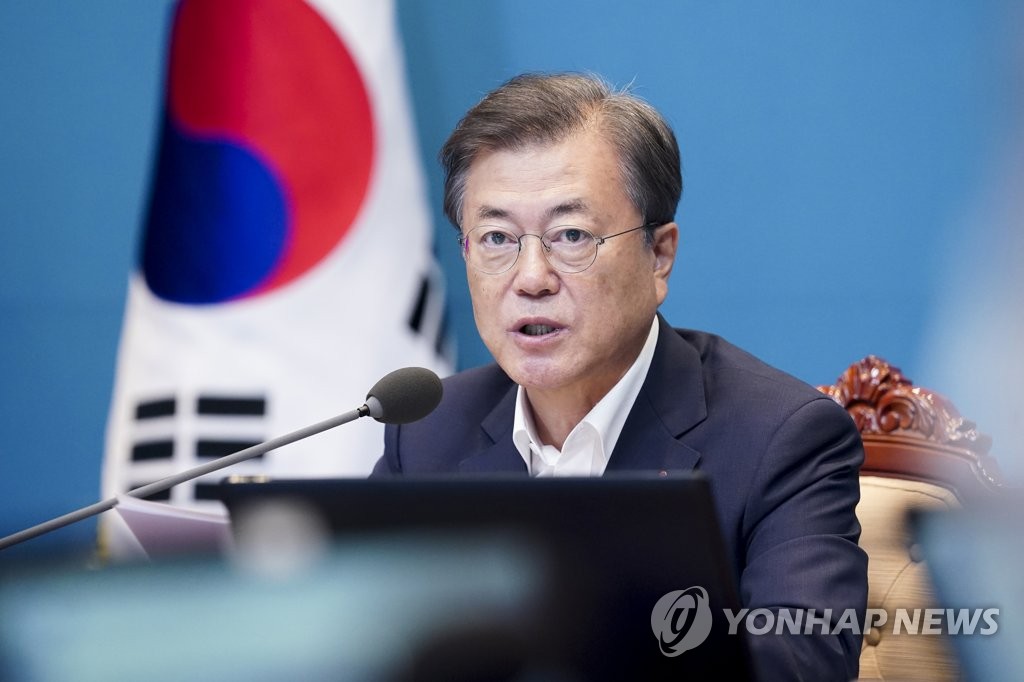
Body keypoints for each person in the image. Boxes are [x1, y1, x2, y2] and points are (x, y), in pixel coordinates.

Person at [372, 72, 867, 680]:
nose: (531, 278)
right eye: (497, 237)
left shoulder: (780, 439)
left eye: (571, 236)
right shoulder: (427, 429)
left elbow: (803, 660)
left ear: (659, 256)